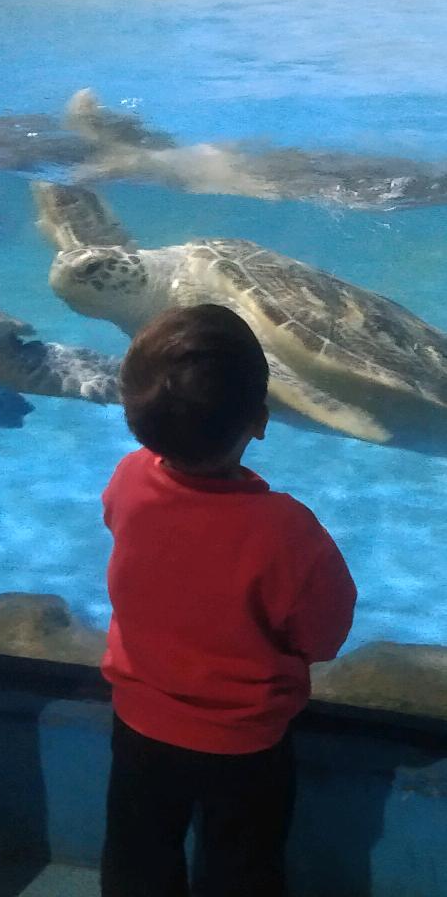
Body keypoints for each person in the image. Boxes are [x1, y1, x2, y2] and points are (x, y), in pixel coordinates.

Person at [99, 304, 356, 897]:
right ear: (261, 420)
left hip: (140, 724)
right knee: (243, 866)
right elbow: (322, 639)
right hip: (245, 742)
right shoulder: (287, 532)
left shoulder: (129, 479)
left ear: (138, 421)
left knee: (136, 859)